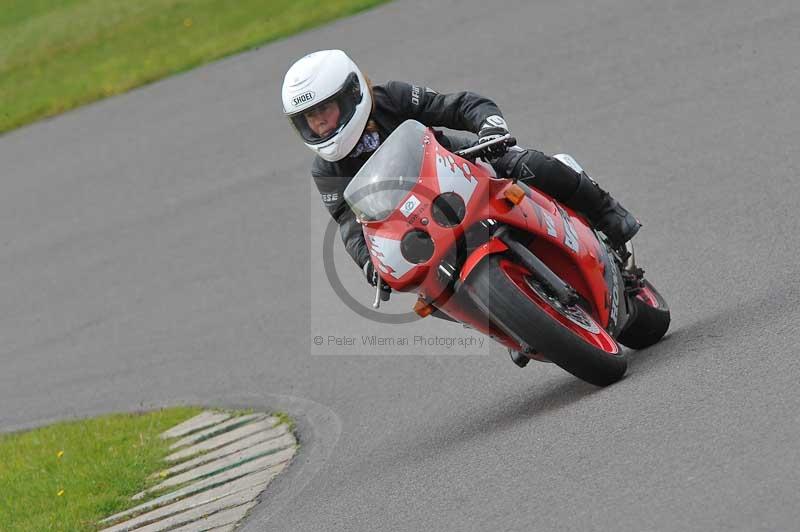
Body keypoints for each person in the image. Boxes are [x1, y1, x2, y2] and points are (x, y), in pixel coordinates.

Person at [282, 49, 640, 289]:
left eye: (324, 110)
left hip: (460, 166)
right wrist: (367, 262)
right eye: (309, 118)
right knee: (424, 287)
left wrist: (490, 126)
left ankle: (608, 215)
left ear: (351, 95)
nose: (319, 124)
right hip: (413, 220)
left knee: (524, 164)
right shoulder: (325, 168)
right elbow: (348, 221)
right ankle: (509, 323)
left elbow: (457, 105)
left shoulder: (390, 98)